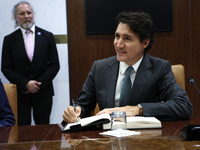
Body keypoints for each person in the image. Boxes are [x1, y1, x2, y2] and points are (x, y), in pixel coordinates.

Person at [63, 11, 192, 123]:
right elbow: (83, 105)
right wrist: (75, 111)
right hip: (107, 139)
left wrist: (137, 109)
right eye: (117, 36)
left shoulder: (159, 68)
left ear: (145, 43)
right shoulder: (100, 68)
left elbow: (184, 106)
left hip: (145, 140)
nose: (118, 44)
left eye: (127, 39)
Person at [1, 1, 60, 125]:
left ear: (33, 14)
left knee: (44, 131)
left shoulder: (47, 36)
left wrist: (38, 84)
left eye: (29, 12)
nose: (26, 16)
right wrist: (25, 84)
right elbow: (6, 68)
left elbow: (54, 65)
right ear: (16, 18)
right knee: (22, 133)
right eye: (22, 13)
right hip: (21, 95)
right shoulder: (9, 40)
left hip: (43, 92)